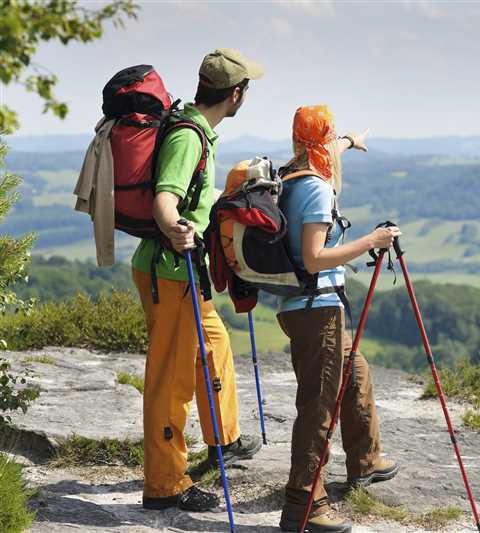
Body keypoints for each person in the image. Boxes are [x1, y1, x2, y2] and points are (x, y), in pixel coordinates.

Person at [130, 48, 265, 512]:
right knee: (171, 378)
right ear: (235, 95)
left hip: (185, 273)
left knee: (214, 346)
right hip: (170, 272)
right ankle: (165, 484)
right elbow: (165, 199)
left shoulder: (198, 129)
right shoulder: (188, 137)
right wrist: (176, 227)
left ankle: (223, 439)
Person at [276, 105, 401, 533]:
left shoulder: (291, 173)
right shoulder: (315, 190)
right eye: (332, 140)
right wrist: (372, 239)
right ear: (321, 142)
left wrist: (350, 140)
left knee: (356, 369)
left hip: (303, 306)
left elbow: (327, 149)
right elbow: (314, 257)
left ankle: (365, 461)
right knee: (318, 407)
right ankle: (304, 505)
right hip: (316, 308)